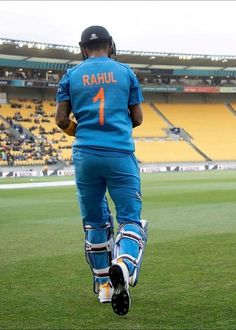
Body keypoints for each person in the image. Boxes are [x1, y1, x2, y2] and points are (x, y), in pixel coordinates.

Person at [55, 25, 148, 316]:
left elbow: (60, 120)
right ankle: (123, 264)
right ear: (110, 45)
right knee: (130, 219)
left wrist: (80, 131)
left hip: (86, 155)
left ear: (82, 48)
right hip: (119, 153)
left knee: (95, 222)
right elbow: (138, 118)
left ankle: (105, 288)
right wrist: (115, 127)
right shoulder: (126, 72)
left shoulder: (70, 75)